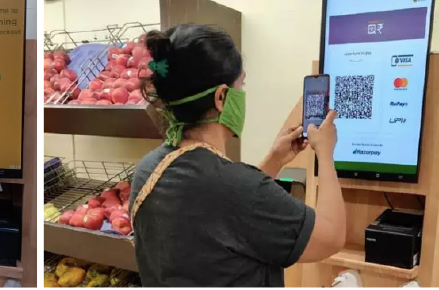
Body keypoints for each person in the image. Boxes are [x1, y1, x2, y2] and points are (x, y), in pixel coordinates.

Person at [126, 23, 346, 287]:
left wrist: (274, 161)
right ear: (221, 97)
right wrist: (326, 153)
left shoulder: (149, 168)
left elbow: (221, 214)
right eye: (241, 85)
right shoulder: (237, 188)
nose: (243, 95)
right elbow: (331, 236)